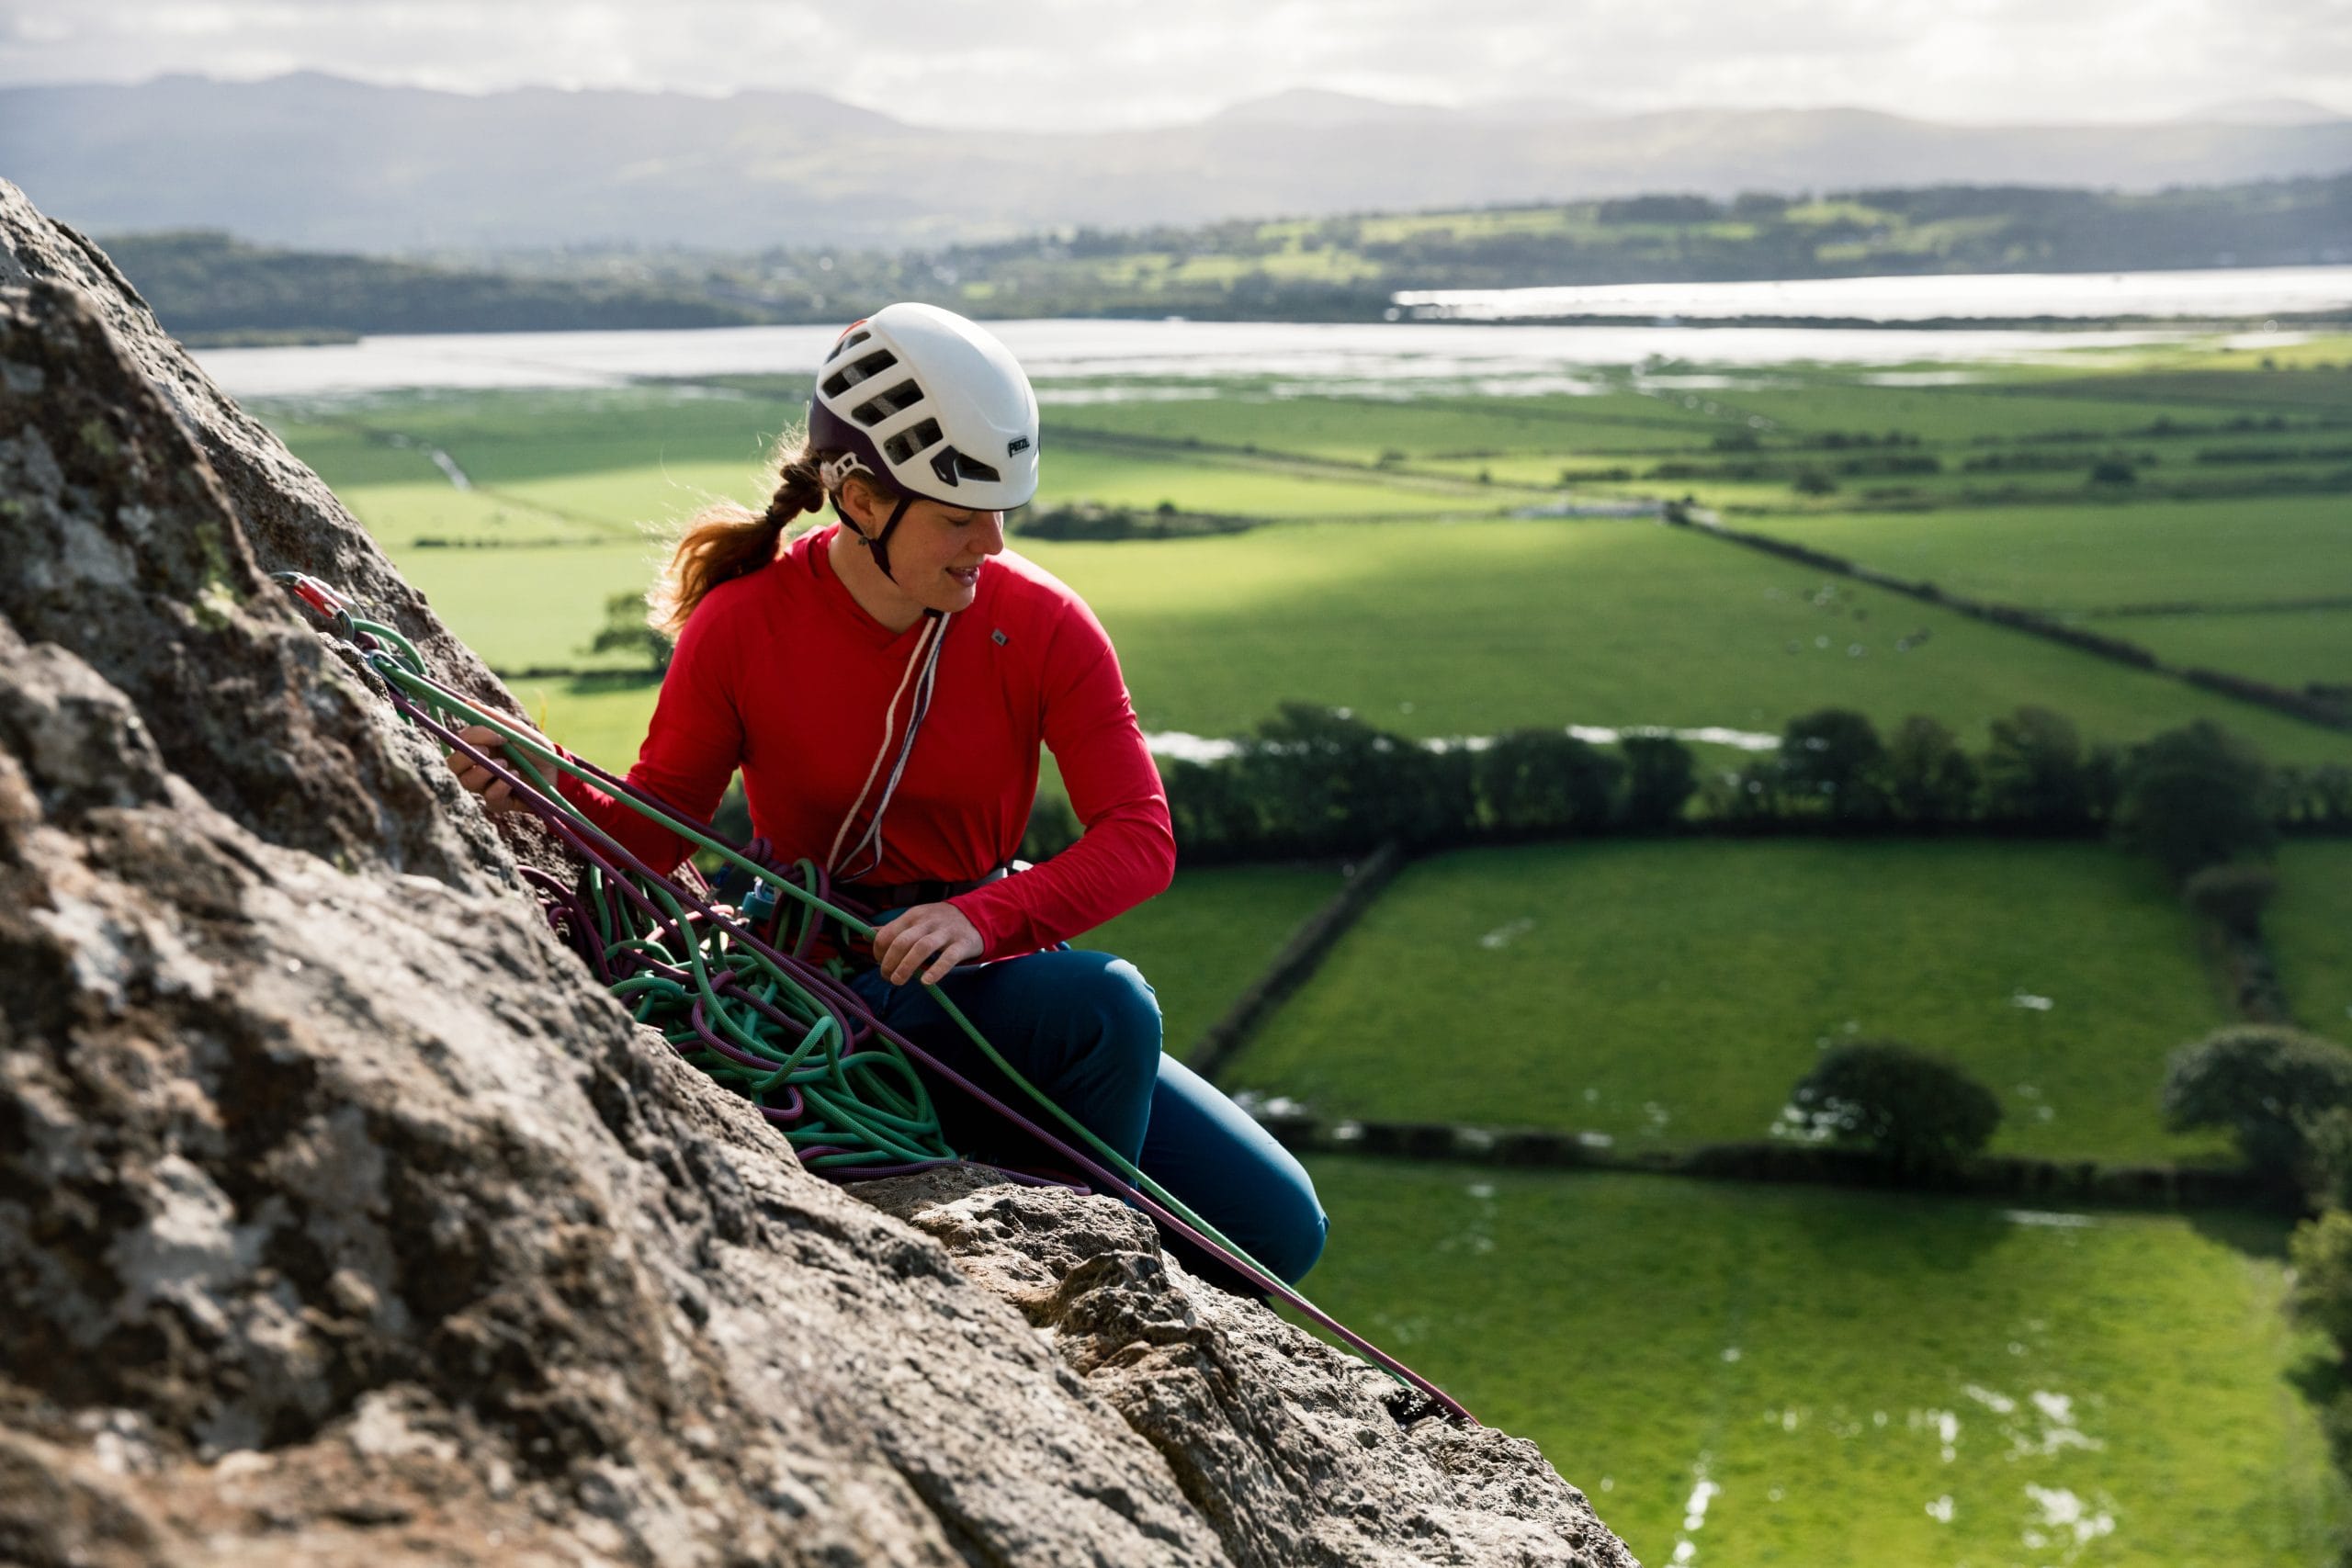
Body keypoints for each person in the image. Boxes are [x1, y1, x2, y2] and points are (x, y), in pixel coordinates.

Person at [447, 302, 1326, 1287]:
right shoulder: (744, 626)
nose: (989, 543)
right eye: (958, 518)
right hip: (829, 984)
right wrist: (546, 779)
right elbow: (657, 829)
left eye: (999, 515)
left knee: (1283, 1231)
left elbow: (1140, 837)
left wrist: (980, 918)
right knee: (1106, 1007)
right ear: (861, 501)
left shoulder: (1042, 627)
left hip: (985, 976)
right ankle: (1082, 1271)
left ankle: (1092, 1242)